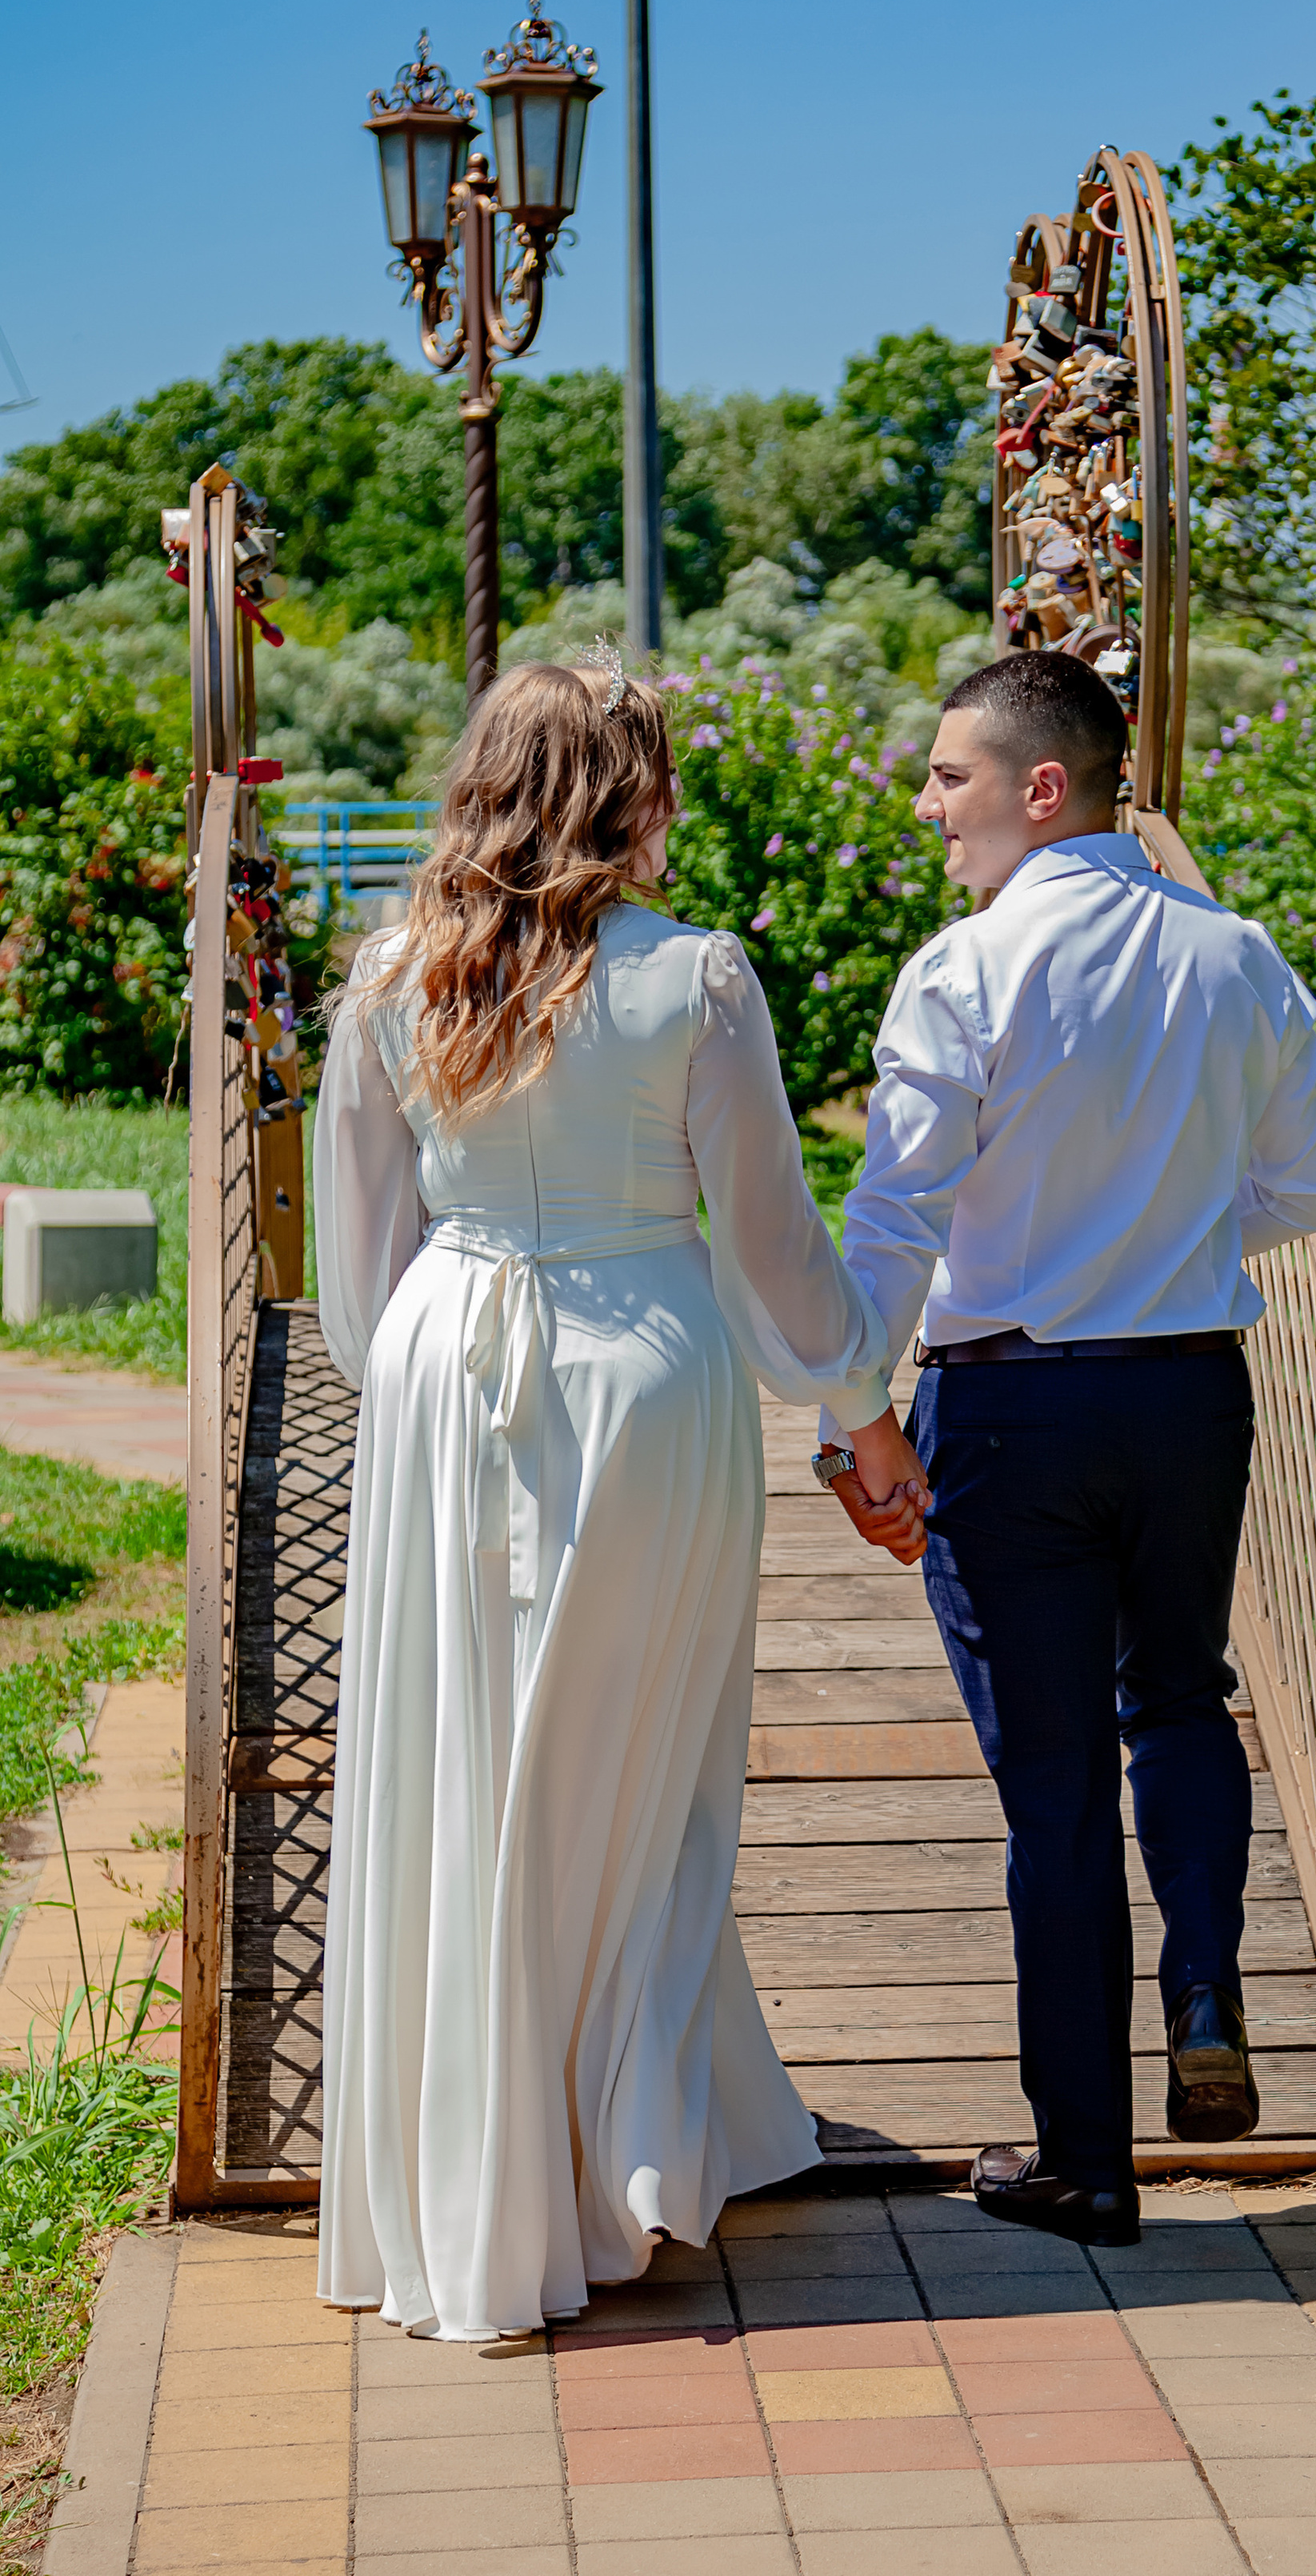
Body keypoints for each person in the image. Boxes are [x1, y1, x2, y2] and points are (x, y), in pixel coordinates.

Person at [312, 657, 926, 2341]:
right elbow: (774, 1247)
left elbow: (356, 1269)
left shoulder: (390, 975)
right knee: (635, 1769)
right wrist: (862, 1406)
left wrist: (421, 1384)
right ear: (624, 793)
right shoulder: (694, 981)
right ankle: (617, 2153)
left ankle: (483, 2173)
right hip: (641, 1372)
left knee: (465, 1758)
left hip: (453, 1366)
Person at [818, 650, 1316, 2246]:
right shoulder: (1237, 956)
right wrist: (1159, 1239)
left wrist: (860, 1421)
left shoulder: (964, 971)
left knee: (1049, 1789)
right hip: (1187, 1394)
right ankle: (1203, 1990)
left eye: (946, 777)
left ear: (1039, 788)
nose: (926, 809)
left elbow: (894, 1217)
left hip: (1013, 1409)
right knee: (1179, 1698)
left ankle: (1083, 2163)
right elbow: (1298, 1198)